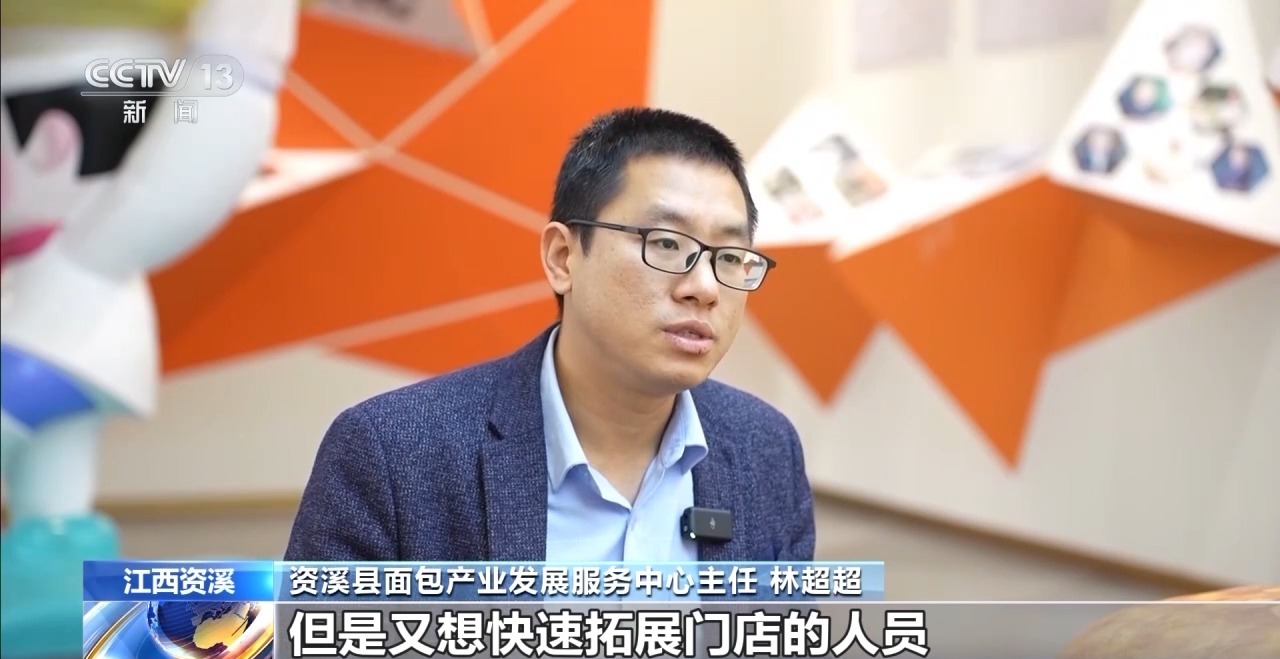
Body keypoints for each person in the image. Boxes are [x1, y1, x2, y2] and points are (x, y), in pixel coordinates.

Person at [285, 107, 816, 563]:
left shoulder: (766, 450)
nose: (704, 288)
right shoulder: (392, 454)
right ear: (563, 258)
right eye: (666, 243)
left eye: (730, 256)